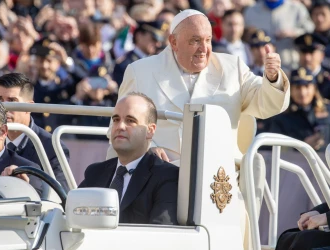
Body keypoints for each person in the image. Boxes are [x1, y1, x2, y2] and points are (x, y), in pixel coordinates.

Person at [110, 9, 290, 249]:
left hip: (218, 179)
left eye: (207, 40)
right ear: (173, 42)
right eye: (194, 41)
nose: (204, 49)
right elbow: (119, 124)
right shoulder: (141, 71)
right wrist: (147, 147)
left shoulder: (232, 67)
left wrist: (272, 77)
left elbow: (266, 103)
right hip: (159, 177)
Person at [79, 92, 179, 225]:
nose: (120, 127)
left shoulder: (166, 176)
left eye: (130, 121)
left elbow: (160, 234)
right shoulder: (95, 173)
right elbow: (72, 217)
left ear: (150, 130)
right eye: (116, 120)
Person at [0, 72, 71, 192]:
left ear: (29, 107)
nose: (4, 107)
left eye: (12, 101)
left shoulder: (52, 147)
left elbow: (61, 196)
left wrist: (29, 184)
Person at [269, 67, 330, 152]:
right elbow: (275, 149)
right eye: (297, 87)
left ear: (314, 88)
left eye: (306, 86)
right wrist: (301, 146)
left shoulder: (327, 110)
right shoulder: (282, 117)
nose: (302, 92)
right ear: (290, 90)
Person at [294, 33, 330, 99]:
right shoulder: (291, 79)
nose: (307, 58)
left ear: (322, 55)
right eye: (303, 52)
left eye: (311, 52)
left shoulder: (327, 81)